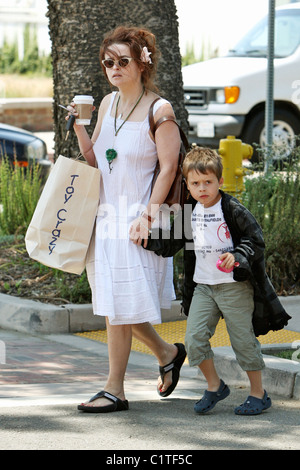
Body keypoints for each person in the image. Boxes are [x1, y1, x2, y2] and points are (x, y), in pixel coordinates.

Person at [66, 26, 186, 413]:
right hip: (105, 217)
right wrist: (80, 129)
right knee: (116, 302)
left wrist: (147, 217)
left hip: (137, 219)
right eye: (107, 62)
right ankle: (167, 354)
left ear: (141, 63)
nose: (113, 68)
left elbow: (169, 169)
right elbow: (96, 160)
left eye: (122, 61)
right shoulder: (106, 104)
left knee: (119, 305)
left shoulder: (159, 109)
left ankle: (114, 389)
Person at [145, 146, 291, 415]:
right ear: (187, 186)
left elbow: (255, 240)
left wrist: (237, 255)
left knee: (243, 341)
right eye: (196, 183)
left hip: (234, 288)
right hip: (203, 287)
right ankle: (214, 386)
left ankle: (259, 393)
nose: (203, 188)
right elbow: (171, 243)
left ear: (220, 182)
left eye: (208, 182)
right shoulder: (189, 212)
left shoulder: (232, 209)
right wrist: (146, 239)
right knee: (194, 339)